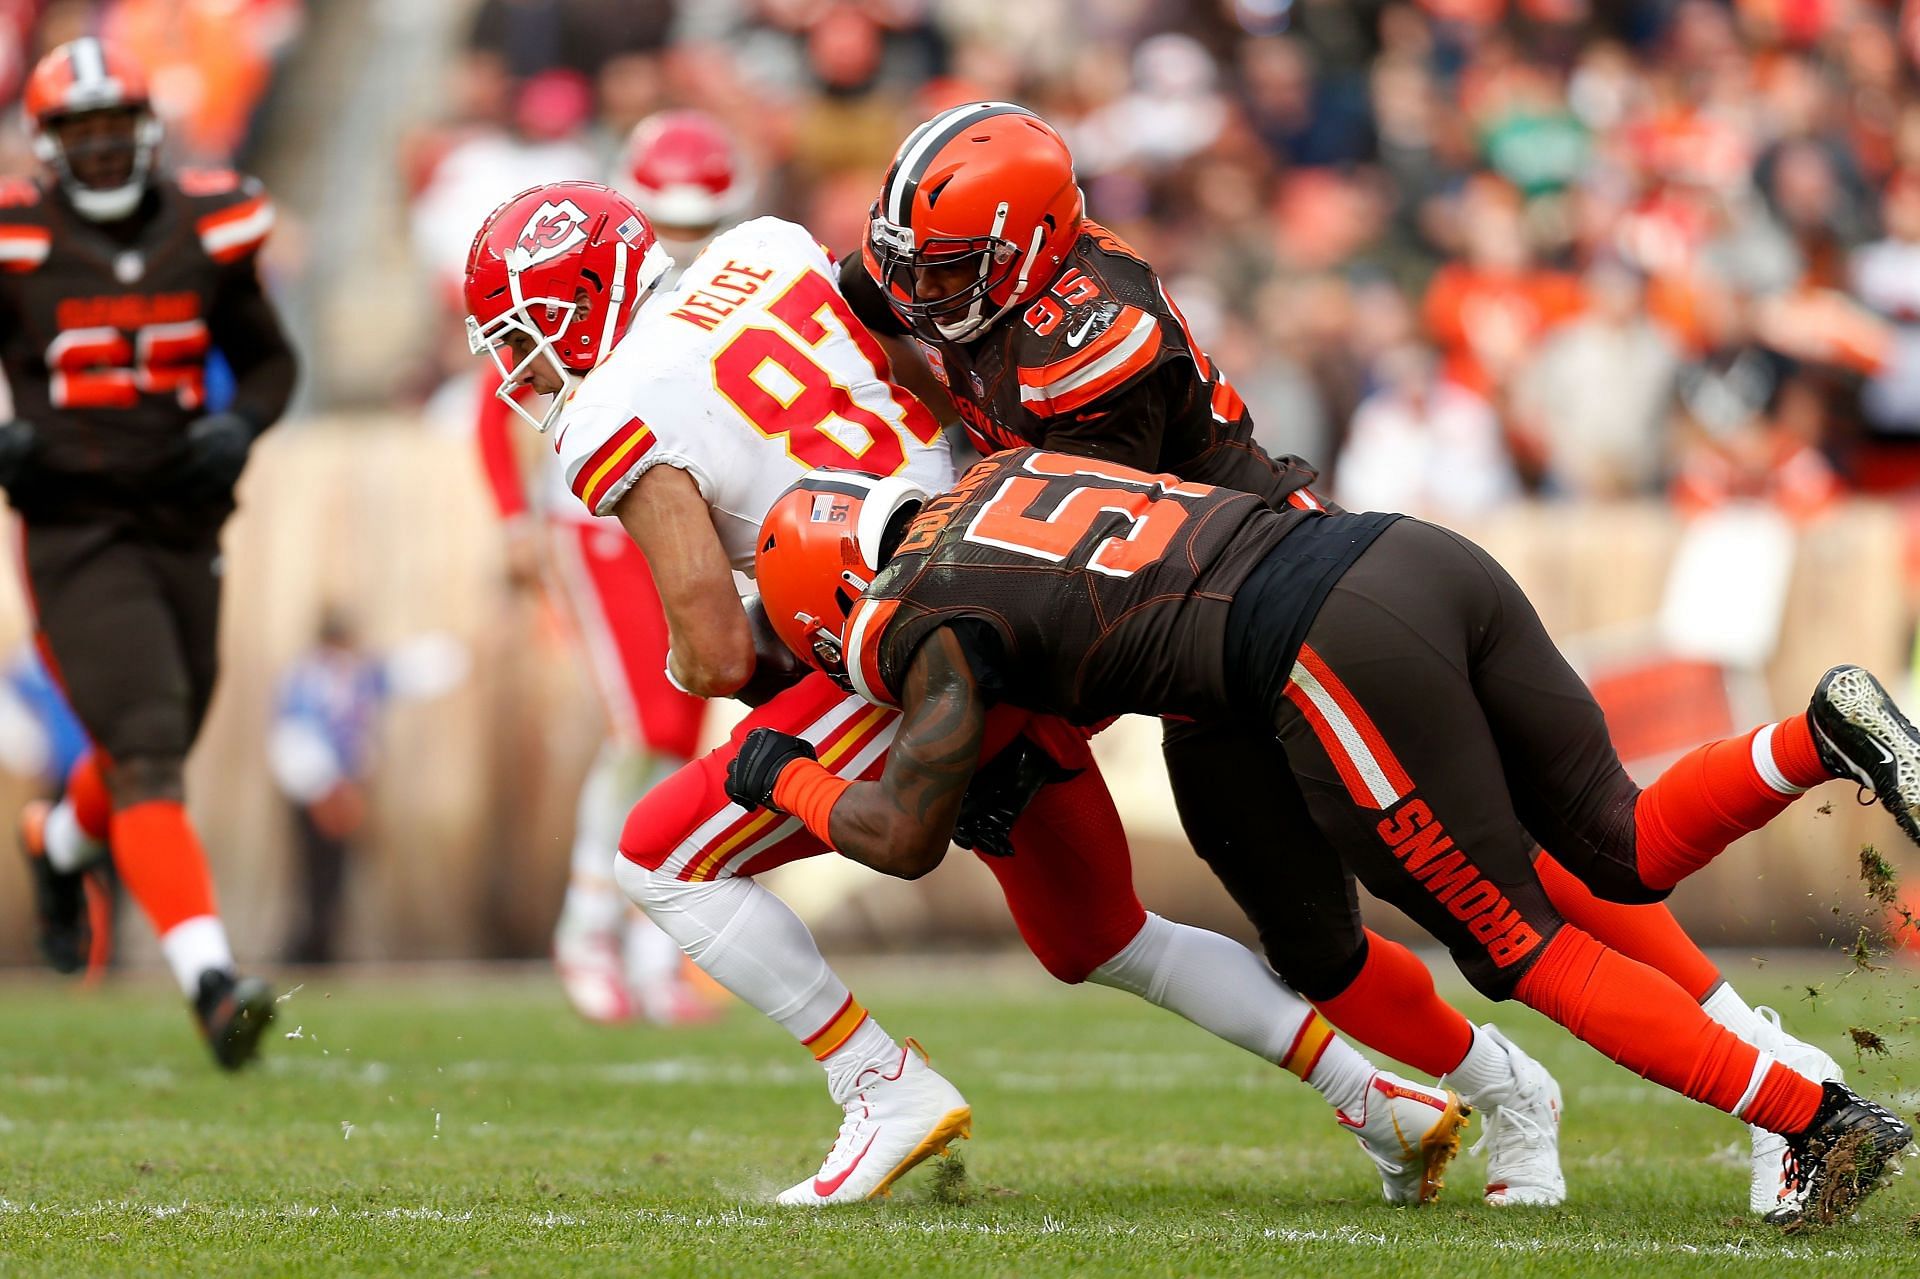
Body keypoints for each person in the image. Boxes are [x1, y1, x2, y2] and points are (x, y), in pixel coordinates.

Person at [839, 100, 1839, 1215]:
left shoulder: (1090, 350)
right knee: (1312, 941)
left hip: (1275, 592)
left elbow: (1073, 590)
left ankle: (1775, 1069)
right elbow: (851, 290)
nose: (921, 295)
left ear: (1028, 248)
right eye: (914, 266)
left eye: (946, 272)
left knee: (1520, 866)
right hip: (1210, 653)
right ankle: (1509, 1094)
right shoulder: (994, 280)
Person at [465, 179, 1501, 1208]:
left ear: (581, 300)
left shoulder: (606, 410)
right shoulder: (765, 249)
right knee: (1098, 937)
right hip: (1005, 583)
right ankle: (1380, 1100)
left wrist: (698, 659)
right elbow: (923, 394)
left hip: (894, 635)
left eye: (519, 337)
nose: (516, 368)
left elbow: (715, 649)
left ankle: (878, 1086)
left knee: (659, 855)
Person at [740, 452, 1918, 1230]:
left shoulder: (910, 609)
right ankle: (1820, 734)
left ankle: (1814, 1121)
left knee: (1515, 944)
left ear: (828, 599)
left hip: (1315, 646)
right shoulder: (1001, 473)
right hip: (1410, 553)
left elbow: (898, 835)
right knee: (1619, 840)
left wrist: (775, 770)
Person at [0, 39, 294, 1069]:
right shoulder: (18, 241)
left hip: (183, 516)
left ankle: (61, 841)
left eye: (113, 127)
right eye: (80, 133)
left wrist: (240, 425)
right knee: (151, 745)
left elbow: (269, 359)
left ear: (145, 129)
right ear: (48, 146)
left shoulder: (205, 227)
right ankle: (214, 986)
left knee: (150, 742)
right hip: (79, 526)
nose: (102, 148)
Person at [476, 109, 751, 1025]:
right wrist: (516, 517)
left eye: (700, 225)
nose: (682, 244)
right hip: (600, 513)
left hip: (683, 506)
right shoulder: (587, 277)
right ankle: (595, 929)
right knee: (650, 727)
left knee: (678, 728)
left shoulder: (731, 269)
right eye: (667, 224)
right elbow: (499, 394)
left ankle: (639, 936)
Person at [268, 609, 467, 964]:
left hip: (348, 791)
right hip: (318, 793)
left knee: (336, 874)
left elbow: (413, 671)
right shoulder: (307, 680)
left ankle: (323, 946)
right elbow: (294, 734)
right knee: (315, 872)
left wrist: (464, 649)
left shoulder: (358, 674)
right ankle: (308, 948)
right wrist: (324, 787)